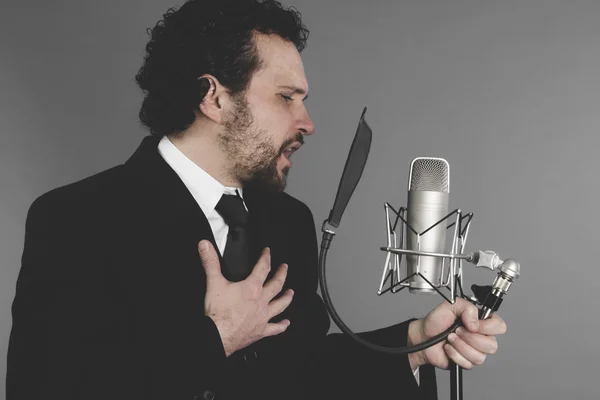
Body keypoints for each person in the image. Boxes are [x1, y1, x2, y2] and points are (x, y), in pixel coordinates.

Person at [6, 1, 507, 399]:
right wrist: (216, 337)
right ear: (214, 98)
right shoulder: (75, 219)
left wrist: (415, 343)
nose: (307, 121)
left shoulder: (288, 220)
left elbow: (300, 376)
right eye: (286, 97)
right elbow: (48, 390)